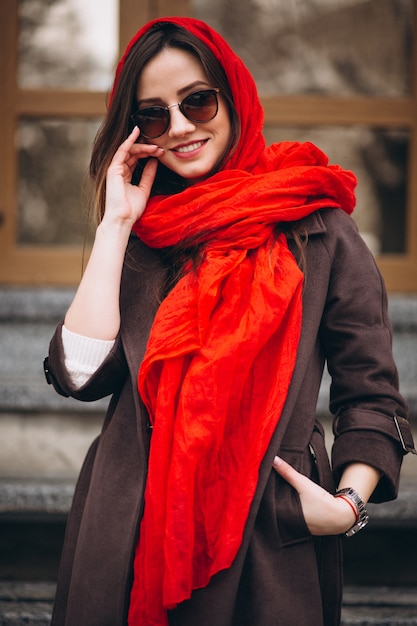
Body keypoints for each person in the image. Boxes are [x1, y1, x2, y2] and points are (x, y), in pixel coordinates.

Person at [44, 16, 416, 626]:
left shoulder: (318, 229)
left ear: (233, 95)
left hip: (268, 534)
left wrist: (348, 505)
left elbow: (372, 394)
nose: (183, 127)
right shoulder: (139, 233)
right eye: (157, 115)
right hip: (128, 534)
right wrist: (114, 227)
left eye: (197, 100)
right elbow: (81, 374)